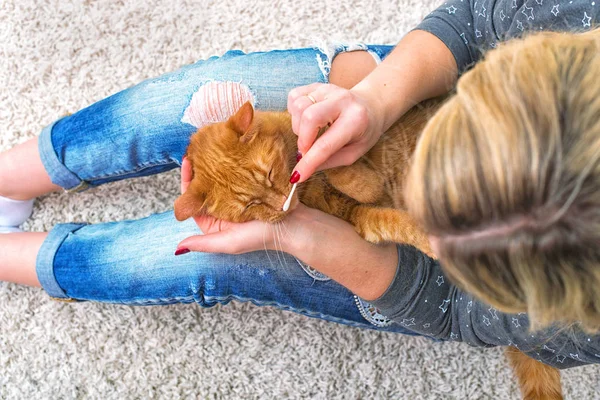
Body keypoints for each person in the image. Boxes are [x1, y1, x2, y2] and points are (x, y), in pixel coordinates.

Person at [0, 0, 598, 371]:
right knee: (205, 93)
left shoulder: (569, 313)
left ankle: (13, 254)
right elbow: (477, 19)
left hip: (410, 254)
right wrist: (375, 97)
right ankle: (11, 174)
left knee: (198, 258)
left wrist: (301, 237)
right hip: (413, 105)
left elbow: (460, 311)